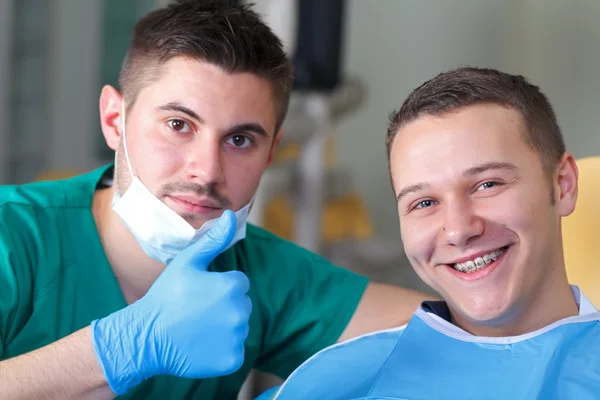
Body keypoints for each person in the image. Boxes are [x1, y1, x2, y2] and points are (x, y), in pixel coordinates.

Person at [0, 1, 430, 399]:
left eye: (240, 140)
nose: (206, 171)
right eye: (178, 124)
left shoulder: (260, 271)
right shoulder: (13, 238)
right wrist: (116, 350)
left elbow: (450, 334)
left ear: (271, 152)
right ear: (115, 120)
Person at [257, 67, 600, 400]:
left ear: (563, 184)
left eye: (487, 184)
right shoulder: (331, 382)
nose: (458, 229)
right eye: (424, 203)